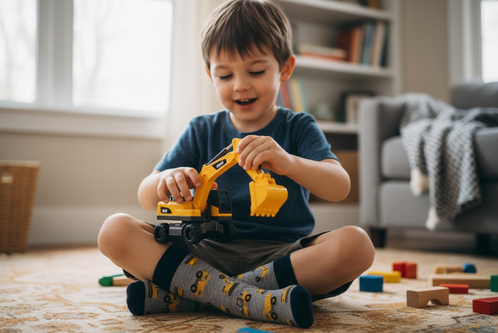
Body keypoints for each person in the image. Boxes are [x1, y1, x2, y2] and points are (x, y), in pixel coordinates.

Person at [98, 0, 375, 328]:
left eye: (255, 71)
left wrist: (287, 162)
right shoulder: (202, 129)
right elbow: (146, 195)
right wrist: (167, 179)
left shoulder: (298, 126)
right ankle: (251, 297)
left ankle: (196, 292)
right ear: (209, 75)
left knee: (356, 245)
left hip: (280, 255)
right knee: (114, 231)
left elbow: (339, 186)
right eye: (225, 75)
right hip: (202, 249)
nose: (240, 84)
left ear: (285, 69)